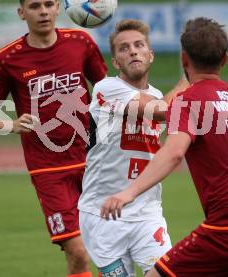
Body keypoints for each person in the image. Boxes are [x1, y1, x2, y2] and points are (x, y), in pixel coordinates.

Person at [101, 17, 228, 277]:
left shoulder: (188, 101)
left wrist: (128, 193)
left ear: (184, 59)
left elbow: (174, 152)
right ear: (224, 59)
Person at [0, 0, 107, 277]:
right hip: (48, 170)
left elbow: (107, 93)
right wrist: (11, 125)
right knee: (78, 253)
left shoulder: (81, 43)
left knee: (107, 250)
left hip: (94, 162)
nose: (43, 11)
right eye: (34, 5)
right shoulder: (7, 59)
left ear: (58, 8)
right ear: (21, 12)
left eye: (49, 4)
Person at [78, 19, 188, 277]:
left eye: (139, 45)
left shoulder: (158, 93)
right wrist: (188, 78)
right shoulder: (107, 88)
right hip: (102, 214)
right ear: (115, 62)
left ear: (151, 55)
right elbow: (160, 110)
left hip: (146, 212)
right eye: (124, 48)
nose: (133, 51)